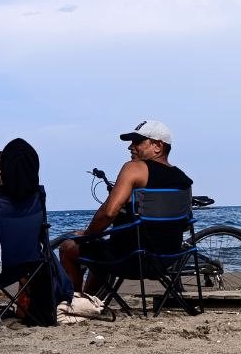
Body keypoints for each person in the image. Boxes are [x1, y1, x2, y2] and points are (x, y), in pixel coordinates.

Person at [57, 120, 192, 294]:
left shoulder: (135, 169)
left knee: (68, 247)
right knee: (101, 248)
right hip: (167, 259)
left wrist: (88, 234)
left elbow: (108, 213)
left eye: (137, 142)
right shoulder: (183, 180)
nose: (130, 147)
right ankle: (90, 298)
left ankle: (75, 302)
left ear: (158, 146)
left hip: (130, 260)